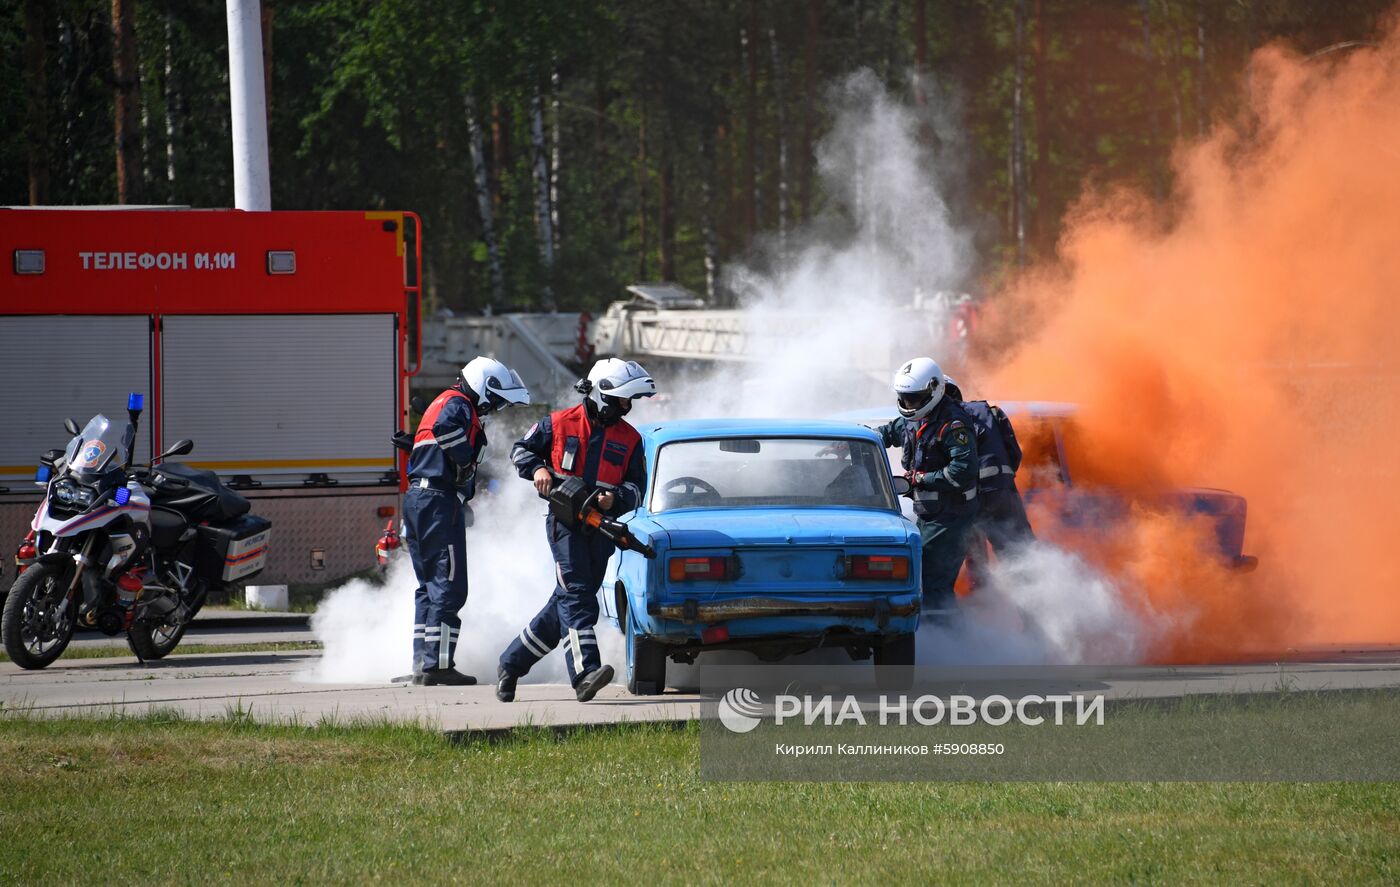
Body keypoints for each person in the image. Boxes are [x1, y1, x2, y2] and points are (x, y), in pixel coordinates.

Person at [496, 358, 655, 703]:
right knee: (579, 594)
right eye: (621, 400)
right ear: (601, 394)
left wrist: (616, 499)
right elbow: (520, 450)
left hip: (600, 530)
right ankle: (585, 674)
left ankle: (510, 664)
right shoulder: (557, 423)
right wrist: (537, 469)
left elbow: (638, 489)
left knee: (565, 604)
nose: (626, 408)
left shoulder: (631, 439)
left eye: (629, 402)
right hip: (564, 524)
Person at [404, 357, 529, 686]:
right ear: (485, 386)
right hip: (437, 502)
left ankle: (421, 663)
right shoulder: (459, 405)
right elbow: (448, 434)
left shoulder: (442, 402)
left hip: (419, 499)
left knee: (428, 588)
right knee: (450, 585)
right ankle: (438, 666)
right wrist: (462, 465)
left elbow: (437, 439)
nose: (497, 407)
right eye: (497, 398)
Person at [873, 357, 979, 617]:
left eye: (914, 398)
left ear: (934, 389)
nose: (908, 405)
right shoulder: (913, 419)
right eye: (904, 398)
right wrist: (855, 439)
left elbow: (962, 471)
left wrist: (920, 479)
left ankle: (951, 644)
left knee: (934, 587)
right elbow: (887, 432)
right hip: (929, 514)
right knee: (923, 581)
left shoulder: (953, 423)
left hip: (951, 518)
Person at [943, 374, 1035, 557]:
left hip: (966, 499)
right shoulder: (990, 412)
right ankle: (1032, 584)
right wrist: (1001, 479)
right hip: (1001, 492)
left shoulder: (938, 424)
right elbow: (1014, 454)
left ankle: (981, 585)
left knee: (976, 556)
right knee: (1019, 550)